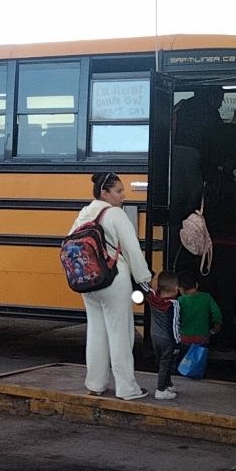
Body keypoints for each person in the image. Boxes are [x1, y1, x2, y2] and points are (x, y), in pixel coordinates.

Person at [71, 172, 154, 401]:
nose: (123, 196)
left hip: (89, 281)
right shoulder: (115, 214)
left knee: (96, 333)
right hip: (114, 280)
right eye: (118, 191)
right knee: (121, 335)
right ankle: (127, 388)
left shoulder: (84, 213)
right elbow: (131, 249)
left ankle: (95, 384)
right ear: (104, 193)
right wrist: (144, 279)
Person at [146, 272, 182, 401]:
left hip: (154, 336)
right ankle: (160, 390)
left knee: (161, 362)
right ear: (176, 288)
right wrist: (177, 342)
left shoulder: (152, 297)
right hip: (167, 340)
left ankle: (168, 384)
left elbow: (145, 287)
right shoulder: (173, 304)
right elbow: (174, 325)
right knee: (166, 364)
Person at [176, 269, 222, 346]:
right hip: (202, 338)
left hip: (184, 337)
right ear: (197, 285)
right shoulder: (207, 297)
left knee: (185, 354)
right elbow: (216, 312)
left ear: (180, 288)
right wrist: (217, 326)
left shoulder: (180, 300)